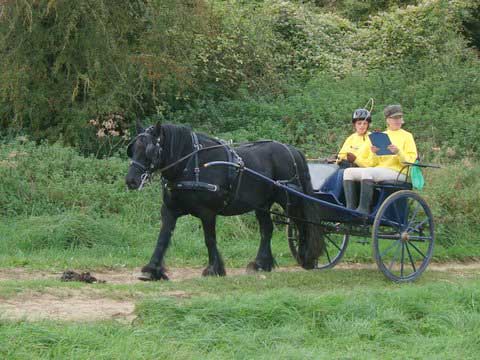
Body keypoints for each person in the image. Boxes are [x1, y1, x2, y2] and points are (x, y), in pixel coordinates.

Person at [343, 104, 418, 215]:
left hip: (399, 172)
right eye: (394, 118)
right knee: (348, 172)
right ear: (388, 120)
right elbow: (372, 164)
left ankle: (363, 210)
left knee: (368, 173)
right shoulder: (381, 135)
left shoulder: (407, 136)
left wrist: (398, 152)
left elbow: (410, 161)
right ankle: (350, 209)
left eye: (399, 118)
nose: (398, 120)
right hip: (380, 170)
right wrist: (374, 153)